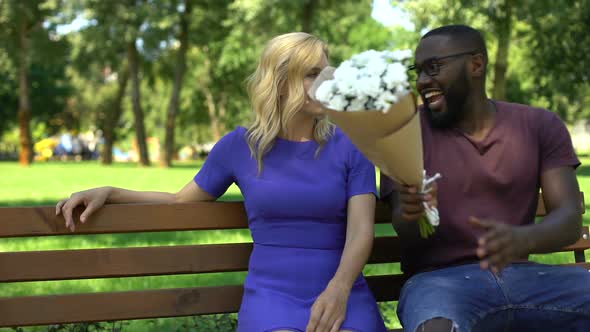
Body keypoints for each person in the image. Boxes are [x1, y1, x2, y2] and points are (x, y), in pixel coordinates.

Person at [56, 32, 387, 332]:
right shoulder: (239, 147)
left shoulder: (351, 144)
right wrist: (111, 192)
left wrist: (339, 290)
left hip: (342, 291)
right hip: (274, 297)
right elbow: (180, 201)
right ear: (281, 82)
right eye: (312, 74)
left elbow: (361, 230)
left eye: (326, 72)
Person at [380, 24, 590, 332]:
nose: (423, 81)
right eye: (419, 72)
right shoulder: (403, 132)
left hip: (531, 278)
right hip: (439, 284)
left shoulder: (538, 125)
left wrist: (522, 237)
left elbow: (569, 217)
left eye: (434, 68)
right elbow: (406, 229)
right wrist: (415, 213)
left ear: (476, 64)